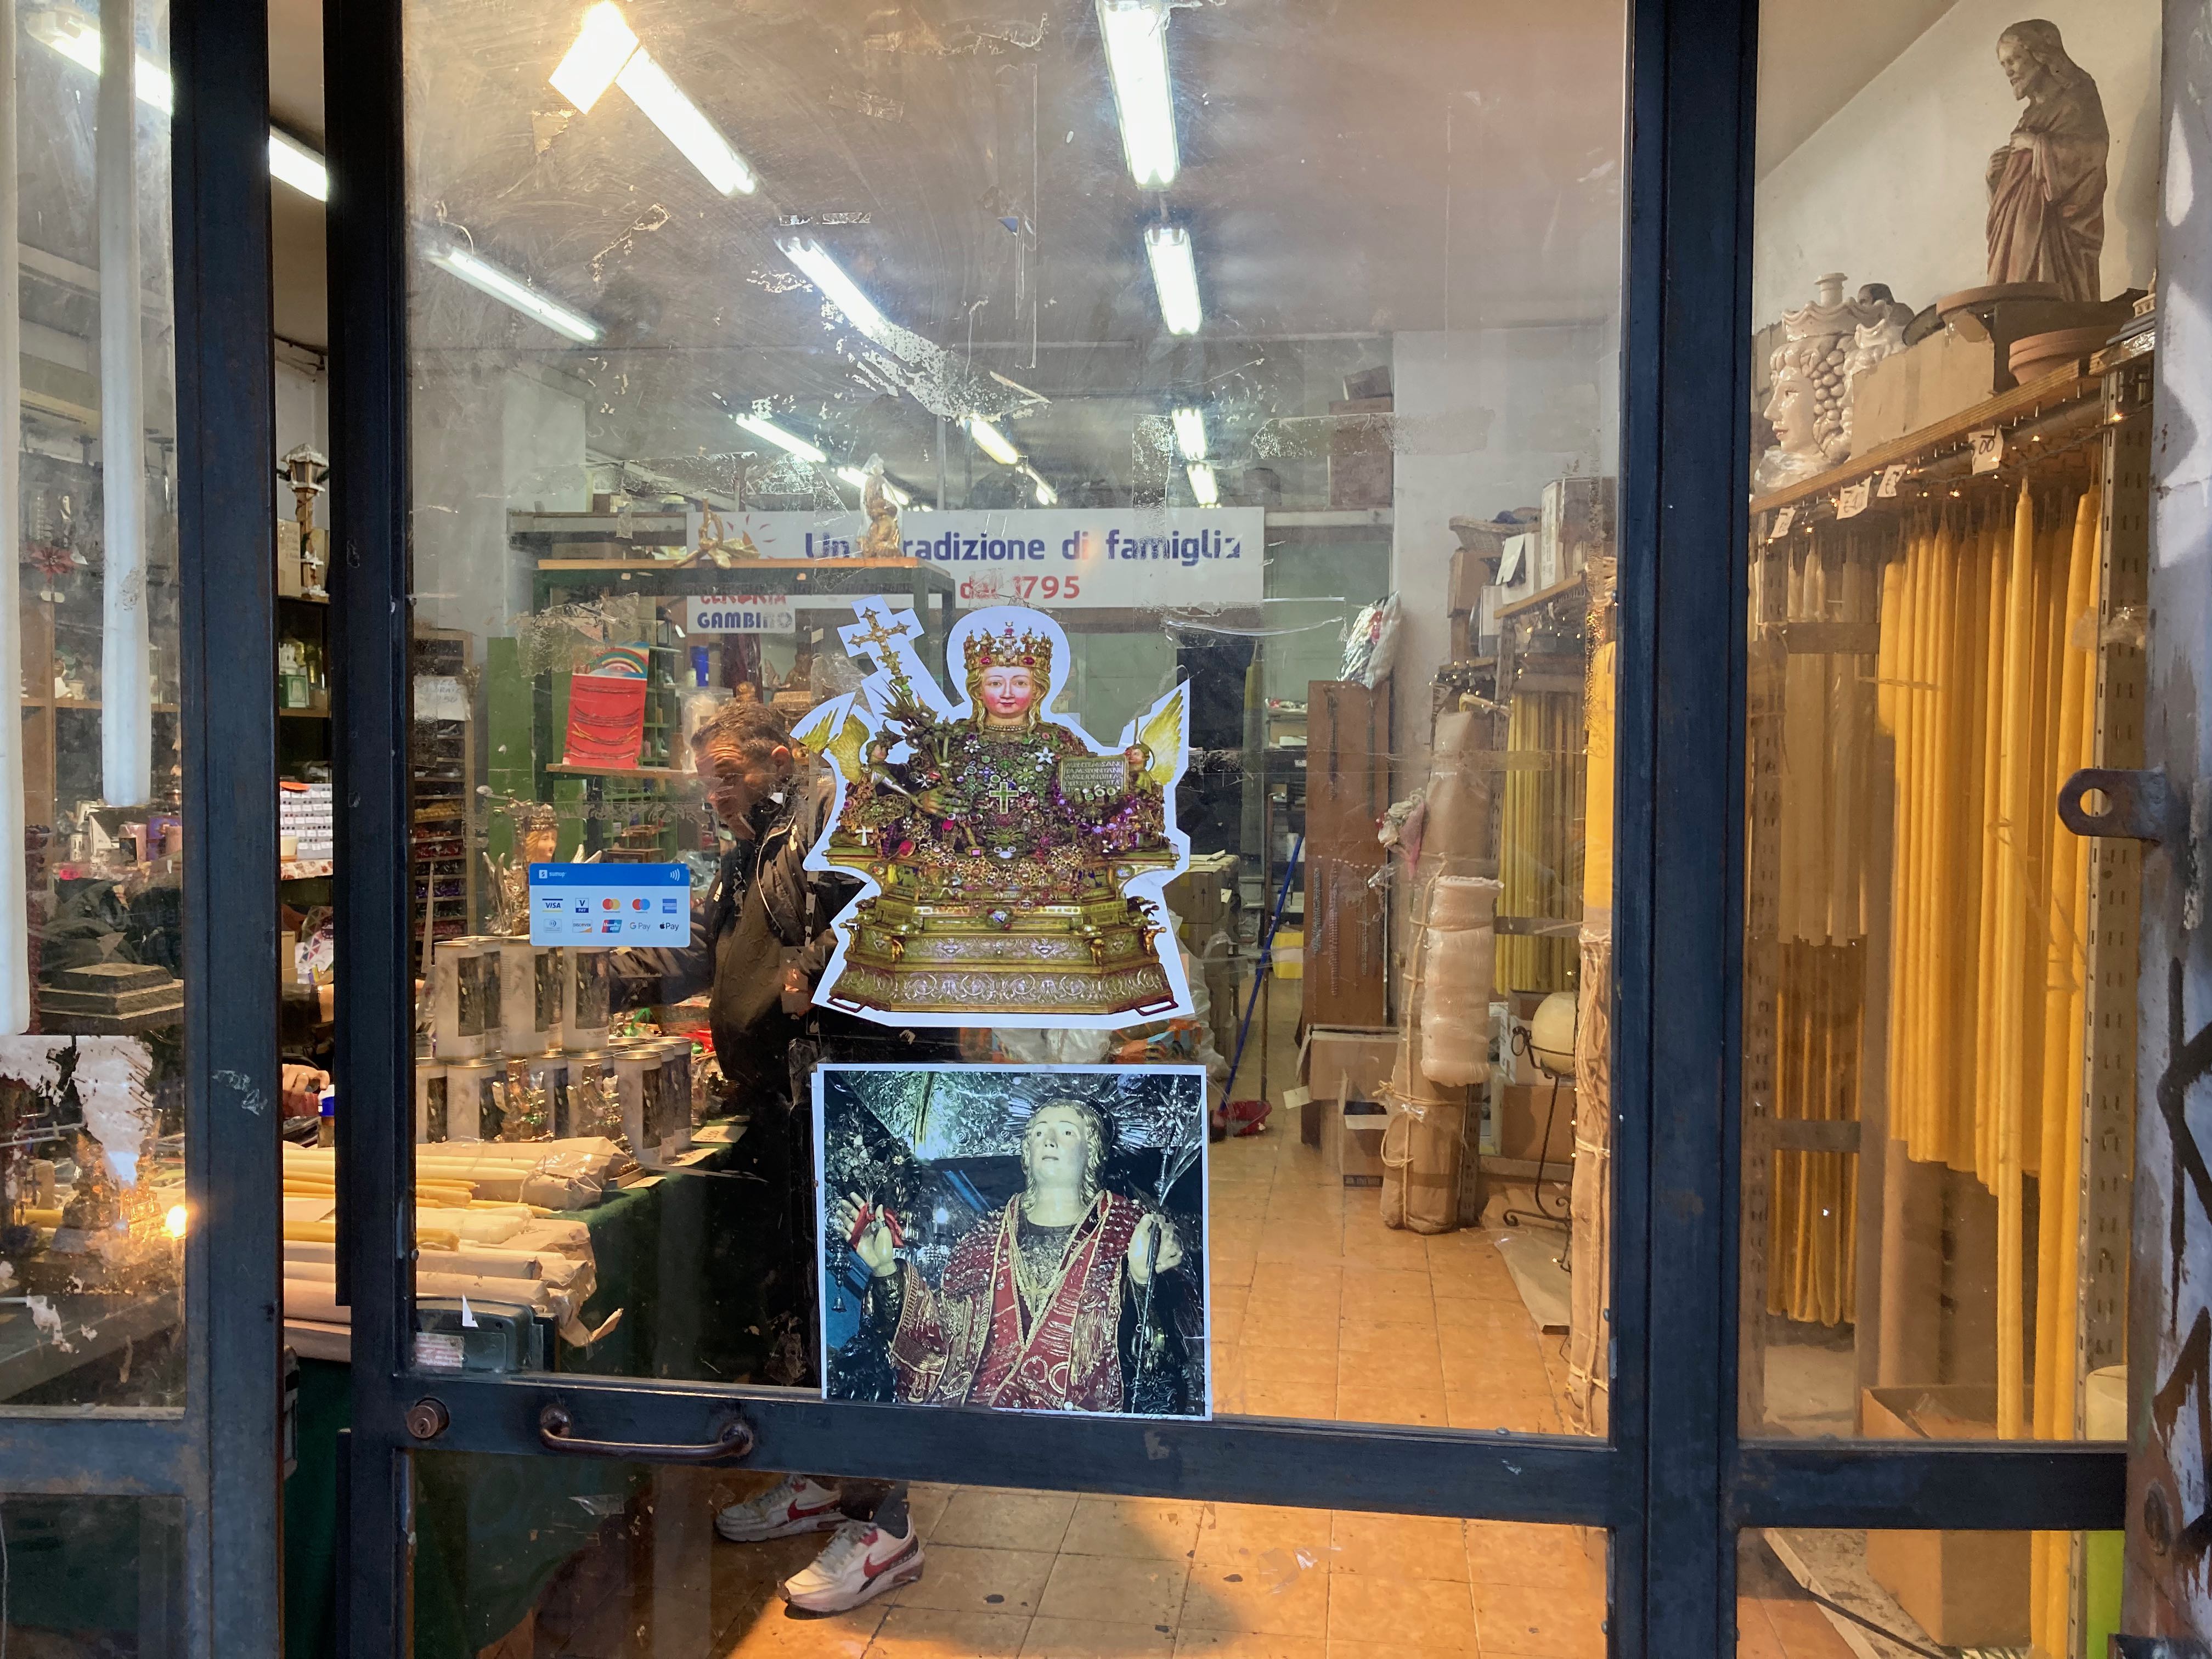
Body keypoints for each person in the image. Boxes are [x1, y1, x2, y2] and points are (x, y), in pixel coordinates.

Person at [608, 697, 932, 1613]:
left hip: (854, 1094)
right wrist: (597, 960)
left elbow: (893, 906)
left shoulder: (832, 809)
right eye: (707, 779)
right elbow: (705, 949)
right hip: (789, 1106)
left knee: (865, 1297)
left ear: (780, 759)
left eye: (728, 774)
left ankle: (888, 1526)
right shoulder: (752, 847)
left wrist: (806, 975)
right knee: (808, 1295)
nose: (714, 793)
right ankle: (830, 1476)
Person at [835, 1096, 1198, 1414]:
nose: (1049, 1141)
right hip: (981, 1422)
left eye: (1067, 1132)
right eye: (1039, 1133)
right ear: (1026, 1151)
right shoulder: (984, 1238)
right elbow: (938, 1343)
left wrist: (1142, 1282)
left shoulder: (1130, 1228)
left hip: (1078, 1428)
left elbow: (1162, 1358)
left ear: (1094, 1151)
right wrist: (885, 1269)